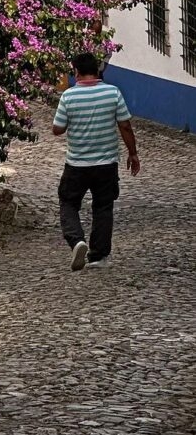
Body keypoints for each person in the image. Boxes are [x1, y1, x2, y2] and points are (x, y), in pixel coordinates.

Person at [52, 51, 140, 271]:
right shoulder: (113, 93)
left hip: (76, 165)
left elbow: (57, 129)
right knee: (103, 206)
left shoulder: (68, 96)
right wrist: (133, 153)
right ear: (98, 71)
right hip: (106, 164)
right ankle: (98, 256)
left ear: (76, 72)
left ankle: (76, 241)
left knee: (68, 202)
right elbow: (125, 125)